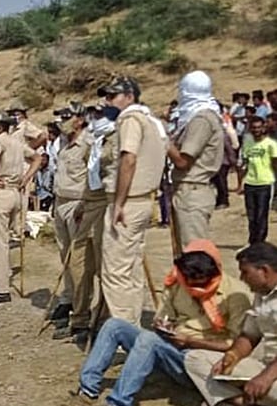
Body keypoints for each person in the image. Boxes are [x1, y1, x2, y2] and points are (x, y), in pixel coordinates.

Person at [73, 239, 251, 406]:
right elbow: (163, 318)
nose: (196, 289)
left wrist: (190, 341)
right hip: (172, 349)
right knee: (114, 326)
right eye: (191, 285)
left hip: (201, 361)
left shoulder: (235, 295)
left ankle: (119, 402)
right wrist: (165, 327)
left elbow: (236, 345)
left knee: (149, 340)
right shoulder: (177, 283)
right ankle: (88, 388)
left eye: (202, 285)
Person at [97, 77, 168, 325]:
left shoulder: (130, 119)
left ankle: (122, 333)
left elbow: (129, 158)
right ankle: (132, 325)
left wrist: (119, 203)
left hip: (129, 202)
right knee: (131, 267)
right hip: (143, 199)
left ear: (129, 96)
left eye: (112, 95)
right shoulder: (151, 121)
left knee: (116, 270)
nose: (108, 101)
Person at [184, 242, 277, 406]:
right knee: (195, 359)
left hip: (271, 373)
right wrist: (233, 356)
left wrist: (266, 377)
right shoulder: (261, 295)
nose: (242, 278)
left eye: (245, 272)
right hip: (266, 366)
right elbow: (249, 335)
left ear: (264, 270)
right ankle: (240, 401)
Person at [0, 110, 42, 305]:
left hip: (1, 192)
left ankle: (1, 287)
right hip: (15, 191)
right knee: (1, 239)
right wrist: (26, 177)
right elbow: (38, 158)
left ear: (0, 126)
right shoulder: (17, 143)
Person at [166, 71, 224, 248]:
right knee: (184, 255)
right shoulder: (195, 117)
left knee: (194, 254)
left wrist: (164, 141)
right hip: (186, 191)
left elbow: (183, 161)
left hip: (192, 191)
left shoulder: (202, 119)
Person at [49, 108, 92, 338]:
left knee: (79, 261)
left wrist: (84, 205)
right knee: (65, 257)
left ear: (80, 119)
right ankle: (70, 300)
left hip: (77, 205)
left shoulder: (87, 143)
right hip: (61, 202)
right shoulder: (64, 143)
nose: (61, 123)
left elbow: (92, 178)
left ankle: (82, 312)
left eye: (66, 118)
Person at [240, 115, 277, 244]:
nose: (256, 130)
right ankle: (252, 241)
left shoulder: (270, 144)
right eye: (254, 128)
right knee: (251, 216)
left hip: (265, 183)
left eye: (259, 127)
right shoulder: (248, 143)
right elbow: (244, 164)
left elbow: (275, 164)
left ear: (263, 128)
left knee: (261, 215)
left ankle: (260, 242)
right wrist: (240, 183)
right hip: (250, 183)